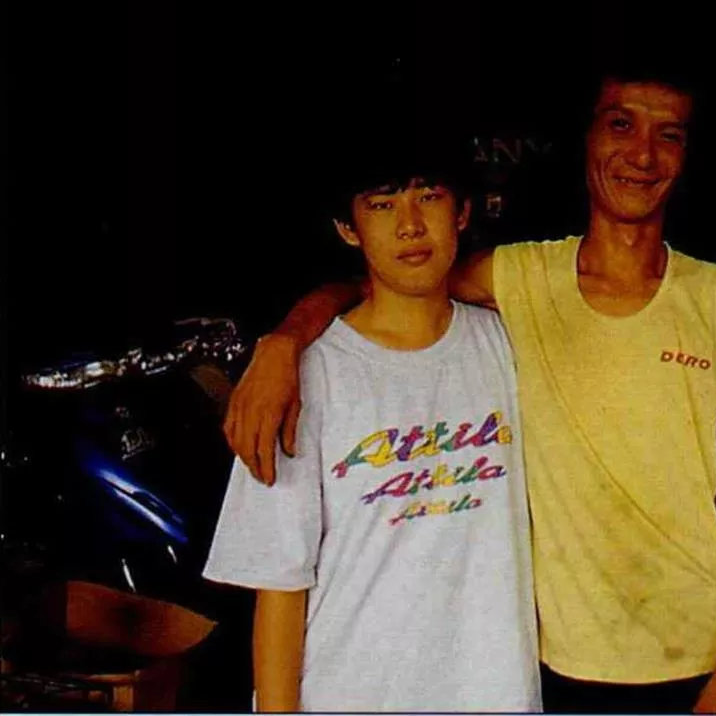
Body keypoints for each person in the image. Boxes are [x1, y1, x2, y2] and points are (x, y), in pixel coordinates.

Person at [225, 60, 716, 714]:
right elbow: (392, 284)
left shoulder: (706, 298)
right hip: (530, 668)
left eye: (669, 134)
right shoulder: (516, 288)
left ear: (461, 212)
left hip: (634, 661)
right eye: (621, 125)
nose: (643, 155)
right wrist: (286, 340)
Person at [203, 134, 541, 712]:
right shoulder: (308, 378)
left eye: (428, 197)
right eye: (382, 205)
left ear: (463, 212)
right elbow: (280, 584)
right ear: (348, 228)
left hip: (495, 694)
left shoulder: (510, 347)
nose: (409, 225)